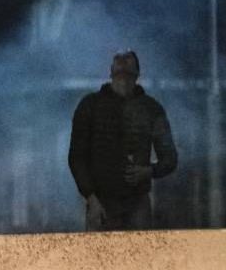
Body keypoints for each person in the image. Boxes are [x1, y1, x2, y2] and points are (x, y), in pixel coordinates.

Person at [68, 50, 177, 230]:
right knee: (99, 256)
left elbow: (170, 159)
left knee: (138, 254)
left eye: (127, 70)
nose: (123, 77)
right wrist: (91, 199)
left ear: (136, 75)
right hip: (102, 201)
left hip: (136, 202)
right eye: (120, 67)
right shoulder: (90, 106)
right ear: (111, 72)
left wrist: (147, 171)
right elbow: (76, 157)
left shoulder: (151, 109)